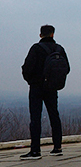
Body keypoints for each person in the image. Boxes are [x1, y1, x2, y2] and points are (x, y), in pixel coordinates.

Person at [20, 25, 69, 159]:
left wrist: (31, 80)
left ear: (40, 35)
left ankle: (35, 150)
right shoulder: (59, 49)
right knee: (54, 115)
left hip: (37, 86)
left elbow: (27, 68)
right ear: (53, 34)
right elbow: (67, 68)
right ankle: (57, 147)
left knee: (35, 118)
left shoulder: (36, 48)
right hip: (52, 87)